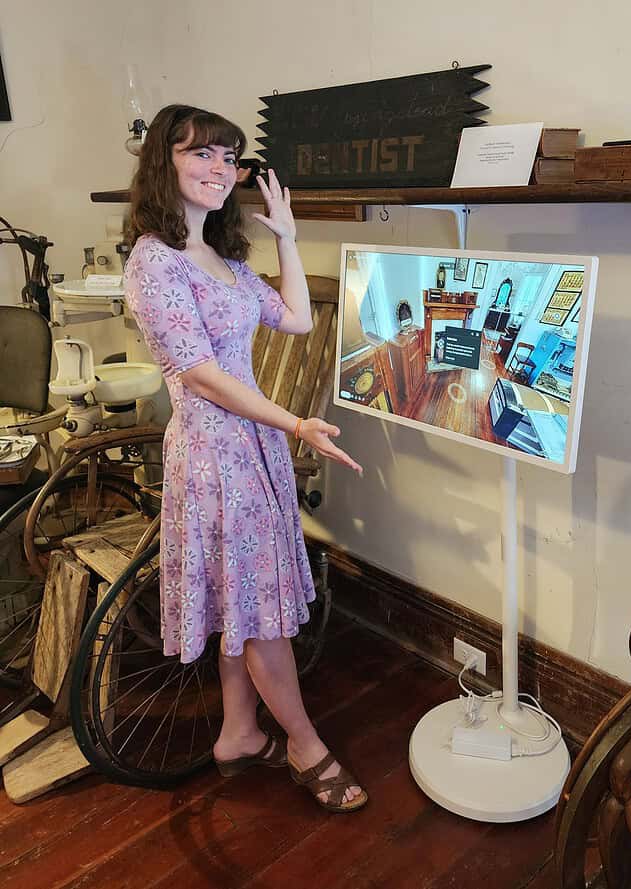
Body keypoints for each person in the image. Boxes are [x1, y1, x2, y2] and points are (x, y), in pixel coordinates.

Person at [124, 104, 367, 813]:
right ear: (162, 163)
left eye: (229, 158)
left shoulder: (222, 260)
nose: (218, 171)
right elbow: (198, 373)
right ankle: (304, 744)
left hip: (251, 445)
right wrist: (294, 420)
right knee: (257, 609)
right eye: (200, 154)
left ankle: (237, 731)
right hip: (210, 453)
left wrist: (289, 237)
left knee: (243, 599)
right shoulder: (153, 260)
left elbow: (294, 317)